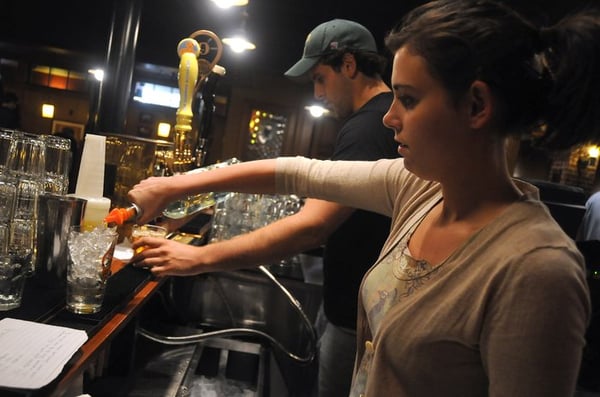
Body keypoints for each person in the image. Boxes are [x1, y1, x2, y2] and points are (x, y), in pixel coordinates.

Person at [129, 0, 599, 395]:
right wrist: (172, 185)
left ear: (476, 105)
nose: (390, 118)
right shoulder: (419, 188)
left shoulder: (537, 271)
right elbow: (299, 172)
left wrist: (196, 256)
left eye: (409, 100)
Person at [132, 19, 398, 397]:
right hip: (349, 310)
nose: (319, 93)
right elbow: (296, 176)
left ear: (349, 65)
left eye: (320, 78)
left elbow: (312, 225)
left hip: (354, 323)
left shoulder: (368, 127)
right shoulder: (372, 123)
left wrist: (196, 258)